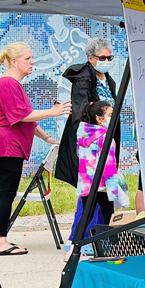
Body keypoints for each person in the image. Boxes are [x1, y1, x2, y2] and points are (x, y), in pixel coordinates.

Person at [0, 42, 70, 256]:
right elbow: (21, 116)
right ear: (14, 62)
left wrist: (48, 138)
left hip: (5, 144)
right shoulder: (8, 84)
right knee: (6, 192)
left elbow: (26, 119)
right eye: (27, 59)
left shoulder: (13, 85)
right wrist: (53, 112)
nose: (32, 62)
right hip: (6, 145)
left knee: (3, 192)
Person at [67, 101, 129, 257]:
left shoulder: (83, 134)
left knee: (85, 215)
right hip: (103, 185)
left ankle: (75, 245)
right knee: (108, 215)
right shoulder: (105, 137)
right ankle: (103, 245)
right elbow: (108, 164)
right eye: (110, 115)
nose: (113, 117)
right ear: (99, 119)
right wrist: (113, 189)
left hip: (87, 183)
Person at [56, 38, 118, 188]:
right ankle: (85, 212)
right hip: (92, 140)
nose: (106, 61)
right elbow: (80, 111)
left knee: (105, 181)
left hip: (107, 136)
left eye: (109, 57)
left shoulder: (109, 80)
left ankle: (102, 211)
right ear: (90, 58)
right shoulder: (83, 78)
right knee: (89, 183)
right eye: (102, 58)